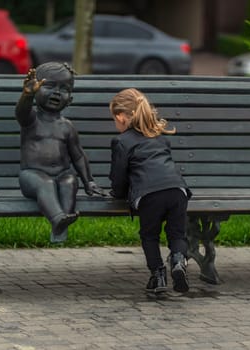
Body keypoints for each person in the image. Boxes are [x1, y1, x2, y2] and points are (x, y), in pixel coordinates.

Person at [108, 88, 192, 294]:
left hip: (150, 194)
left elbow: (119, 176)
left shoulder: (121, 141)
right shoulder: (160, 138)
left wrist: (118, 194)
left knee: (150, 235)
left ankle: (158, 276)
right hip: (177, 191)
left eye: (113, 118)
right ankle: (178, 261)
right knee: (177, 234)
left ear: (121, 116)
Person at [15, 62, 104, 243]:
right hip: (31, 176)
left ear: (70, 99)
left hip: (61, 173)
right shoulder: (31, 119)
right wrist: (27, 95)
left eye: (64, 89)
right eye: (49, 86)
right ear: (37, 89)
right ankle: (57, 219)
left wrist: (90, 182)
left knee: (70, 181)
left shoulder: (67, 127)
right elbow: (21, 112)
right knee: (45, 182)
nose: (57, 92)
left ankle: (62, 224)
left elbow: (78, 156)